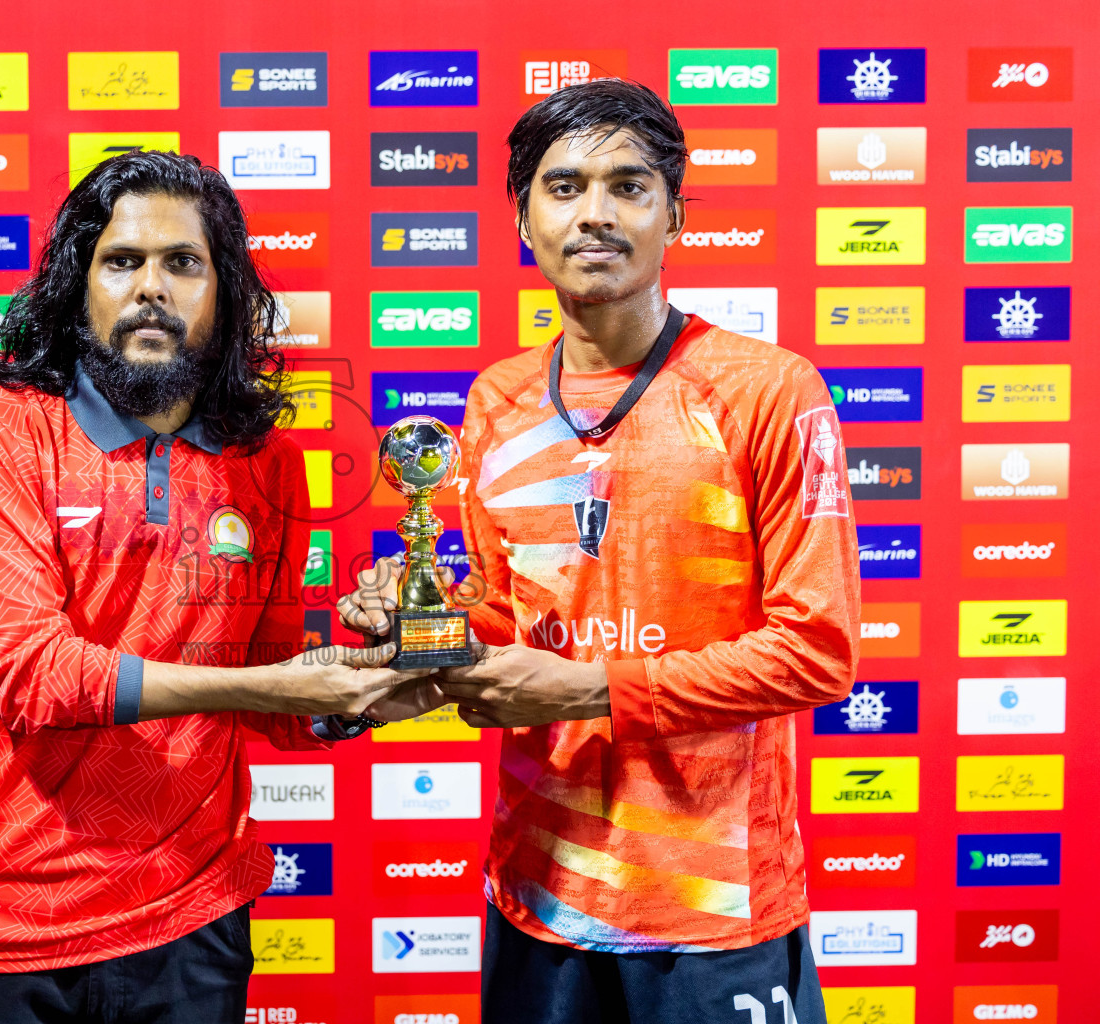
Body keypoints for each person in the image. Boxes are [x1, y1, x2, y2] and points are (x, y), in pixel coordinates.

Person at [339, 80, 860, 1023]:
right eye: (565, 186)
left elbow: (817, 648)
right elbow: (515, 617)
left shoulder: (768, 390)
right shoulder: (496, 398)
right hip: (539, 898)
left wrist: (591, 690)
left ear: (674, 214)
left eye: (629, 187)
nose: (596, 214)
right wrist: (425, 624)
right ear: (522, 219)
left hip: (711, 910)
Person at [0, 150, 441, 1023]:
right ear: (77, 284)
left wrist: (362, 693)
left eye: (182, 263)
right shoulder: (8, 429)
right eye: (122, 261)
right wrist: (266, 684)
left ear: (223, 292)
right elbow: (26, 671)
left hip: (192, 918)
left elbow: (274, 692)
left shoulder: (270, 463)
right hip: (9, 917)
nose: (150, 287)